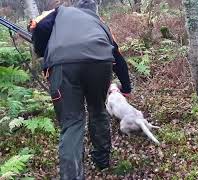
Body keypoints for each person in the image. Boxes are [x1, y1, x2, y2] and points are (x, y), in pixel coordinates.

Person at [28, 0, 131, 179]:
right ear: (94, 11)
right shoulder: (100, 23)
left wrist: (43, 51)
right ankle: (102, 161)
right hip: (100, 62)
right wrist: (126, 87)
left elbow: (37, 26)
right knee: (98, 110)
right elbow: (117, 56)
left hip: (62, 66)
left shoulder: (59, 12)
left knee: (72, 122)